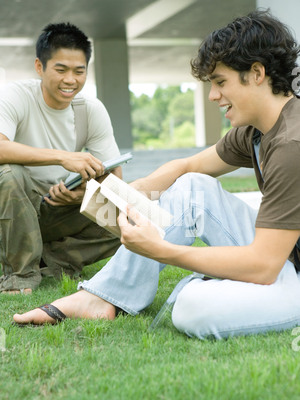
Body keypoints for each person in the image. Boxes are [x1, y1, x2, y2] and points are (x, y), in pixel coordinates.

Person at [14, 10, 300, 340]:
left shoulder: (292, 143)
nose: (213, 96)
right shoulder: (257, 130)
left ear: (257, 74)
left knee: (192, 307)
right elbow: (186, 167)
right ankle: (101, 297)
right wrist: (133, 192)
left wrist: (162, 251)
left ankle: (217, 281)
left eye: (221, 83)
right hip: (284, 255)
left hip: (280, 266)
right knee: (193, 187)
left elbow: (264, 264)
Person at [0, 23, 121, 295]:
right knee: (9, 172)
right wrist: (63, 158)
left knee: (130, 213)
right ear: (40, 67)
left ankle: (54, 260)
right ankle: (20, 276)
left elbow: (116, 182)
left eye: (79, 71)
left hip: (59, 208)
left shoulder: (90, 110)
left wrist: (81, 196)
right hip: (12, 209)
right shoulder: (16, 96)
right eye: (61, 69)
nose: (70, 80)